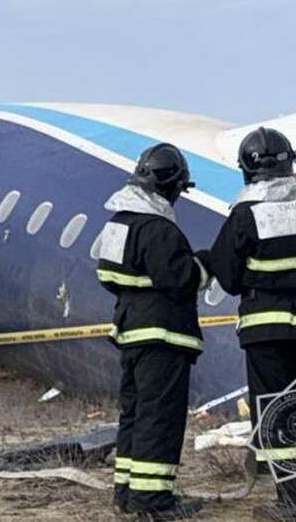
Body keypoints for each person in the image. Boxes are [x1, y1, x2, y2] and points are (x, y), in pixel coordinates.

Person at [199, 127, 296, 521]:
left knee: (277, 412)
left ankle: (292, 502)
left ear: (247, 168)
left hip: (266, 330)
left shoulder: (246, 214)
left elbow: (226, 276)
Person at [96, 143, 207, 520]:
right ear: (172, 186)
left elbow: (106, 276)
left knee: (136, 413)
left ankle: (126, 493)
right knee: (160, 417)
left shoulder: (118, 223)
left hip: (130, 333)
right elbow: (180, 279)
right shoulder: (158, 229)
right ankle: (152, 502)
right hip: (162, 336)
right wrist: (204, 265)